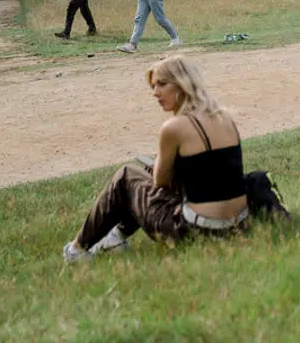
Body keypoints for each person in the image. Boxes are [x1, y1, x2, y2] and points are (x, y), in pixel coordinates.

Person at [63, 57, 249, 261]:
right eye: (153, 86)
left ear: (182, 83)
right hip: (237, 225)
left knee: (127, 176)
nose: (155, 93)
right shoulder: (225, 116)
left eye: (162, 84)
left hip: (193, 231)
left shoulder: (173, 127)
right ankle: (114, 238)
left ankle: (76, 250)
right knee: (151, 169)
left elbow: (160, 182)